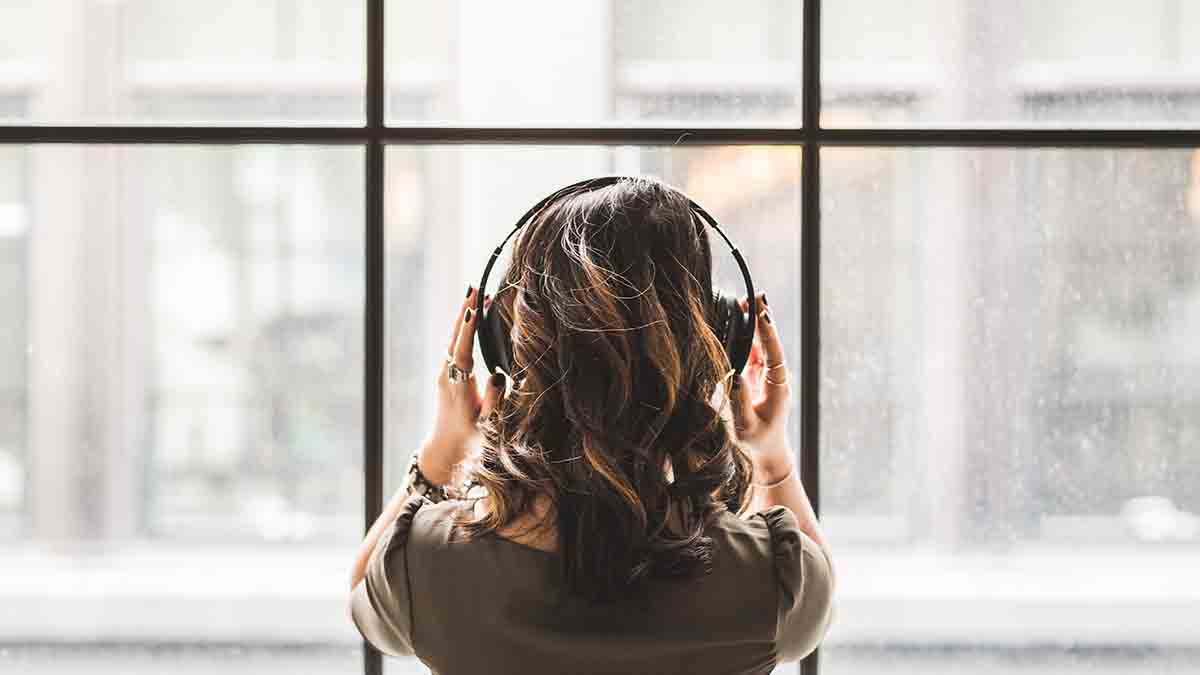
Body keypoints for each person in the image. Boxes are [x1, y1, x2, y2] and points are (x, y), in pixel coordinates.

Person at [348, 176, 836, 674]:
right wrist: (772, 456)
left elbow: (365, 596)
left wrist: (443, 451)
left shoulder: (426, 564)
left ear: (505, 347)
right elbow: (817, 607)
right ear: (718, 340)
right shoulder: (770, 579)